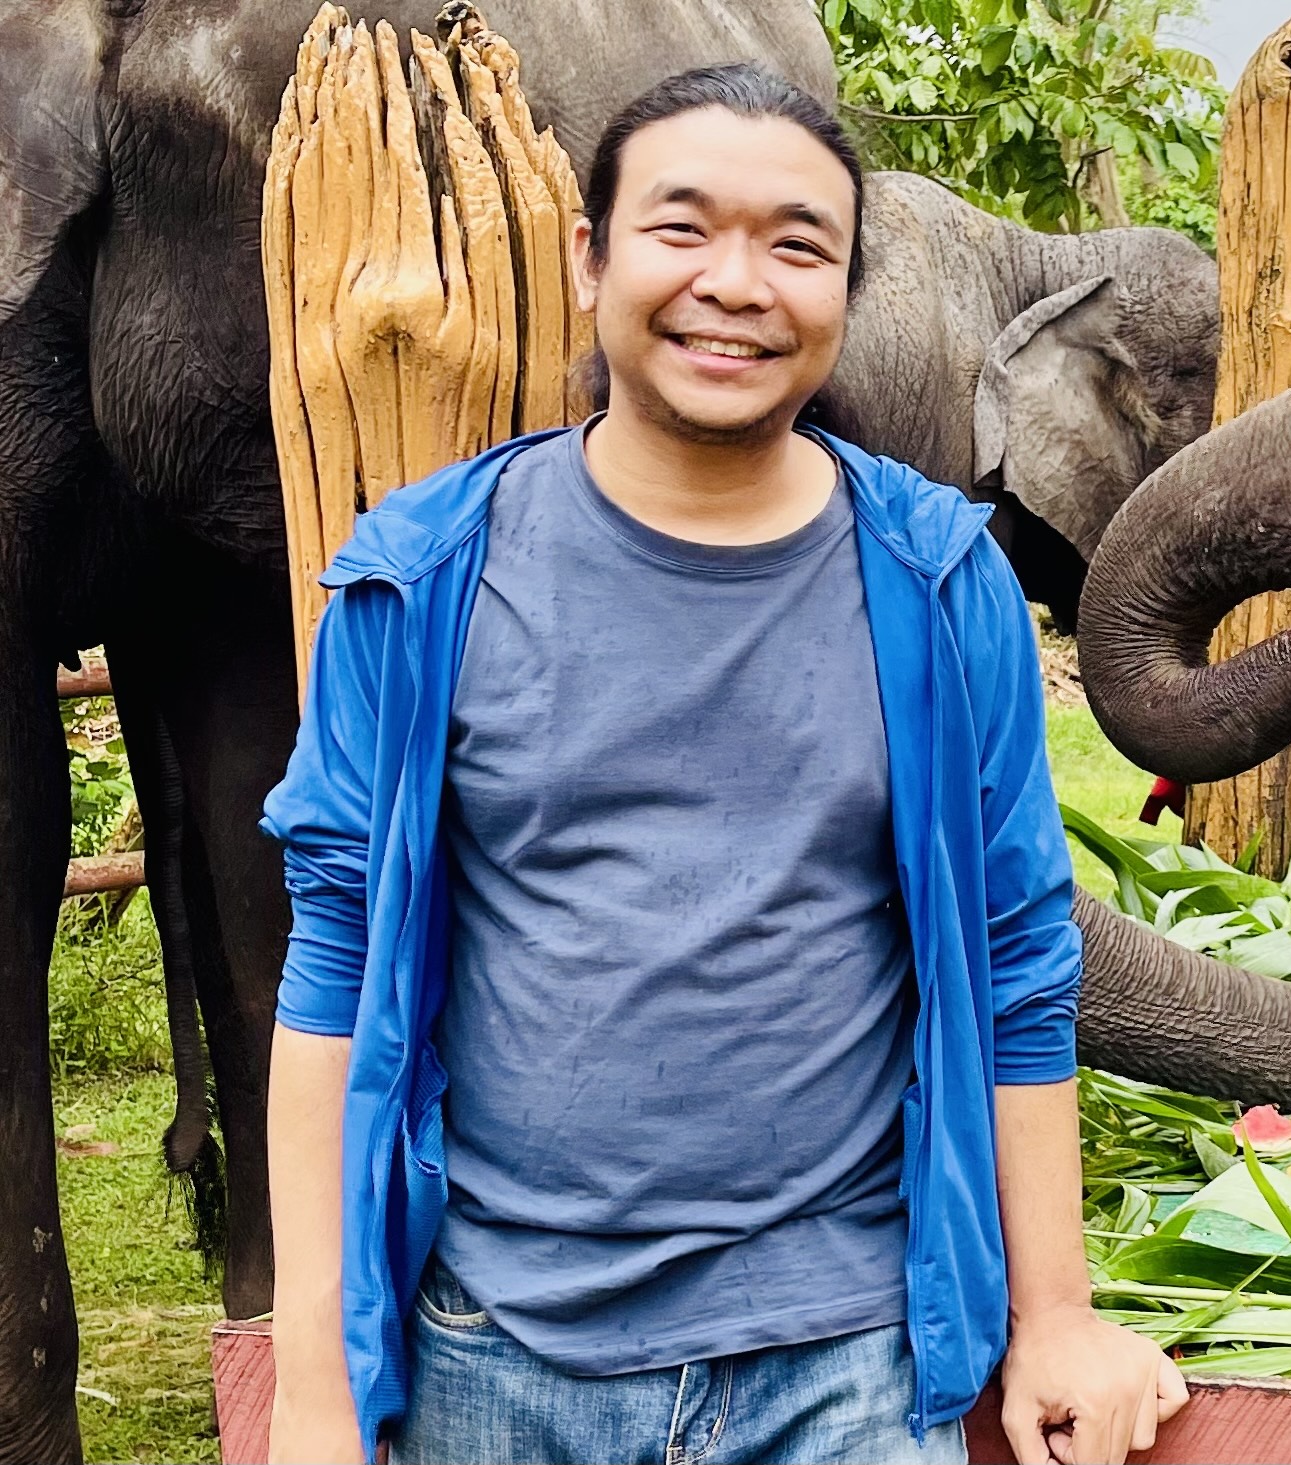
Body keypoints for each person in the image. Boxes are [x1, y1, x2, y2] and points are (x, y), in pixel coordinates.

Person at [261, 63, 1186, 1465]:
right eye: (681, 228)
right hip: (495, 1363)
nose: (737, 284)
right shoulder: (423, 580)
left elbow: (1014, 962)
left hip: (849, 1374)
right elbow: (336, 966)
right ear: (591, 259)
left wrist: (1056, 1313)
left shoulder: (936, 583)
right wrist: (316, 1386)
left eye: (797, 244)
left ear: (844, 290)